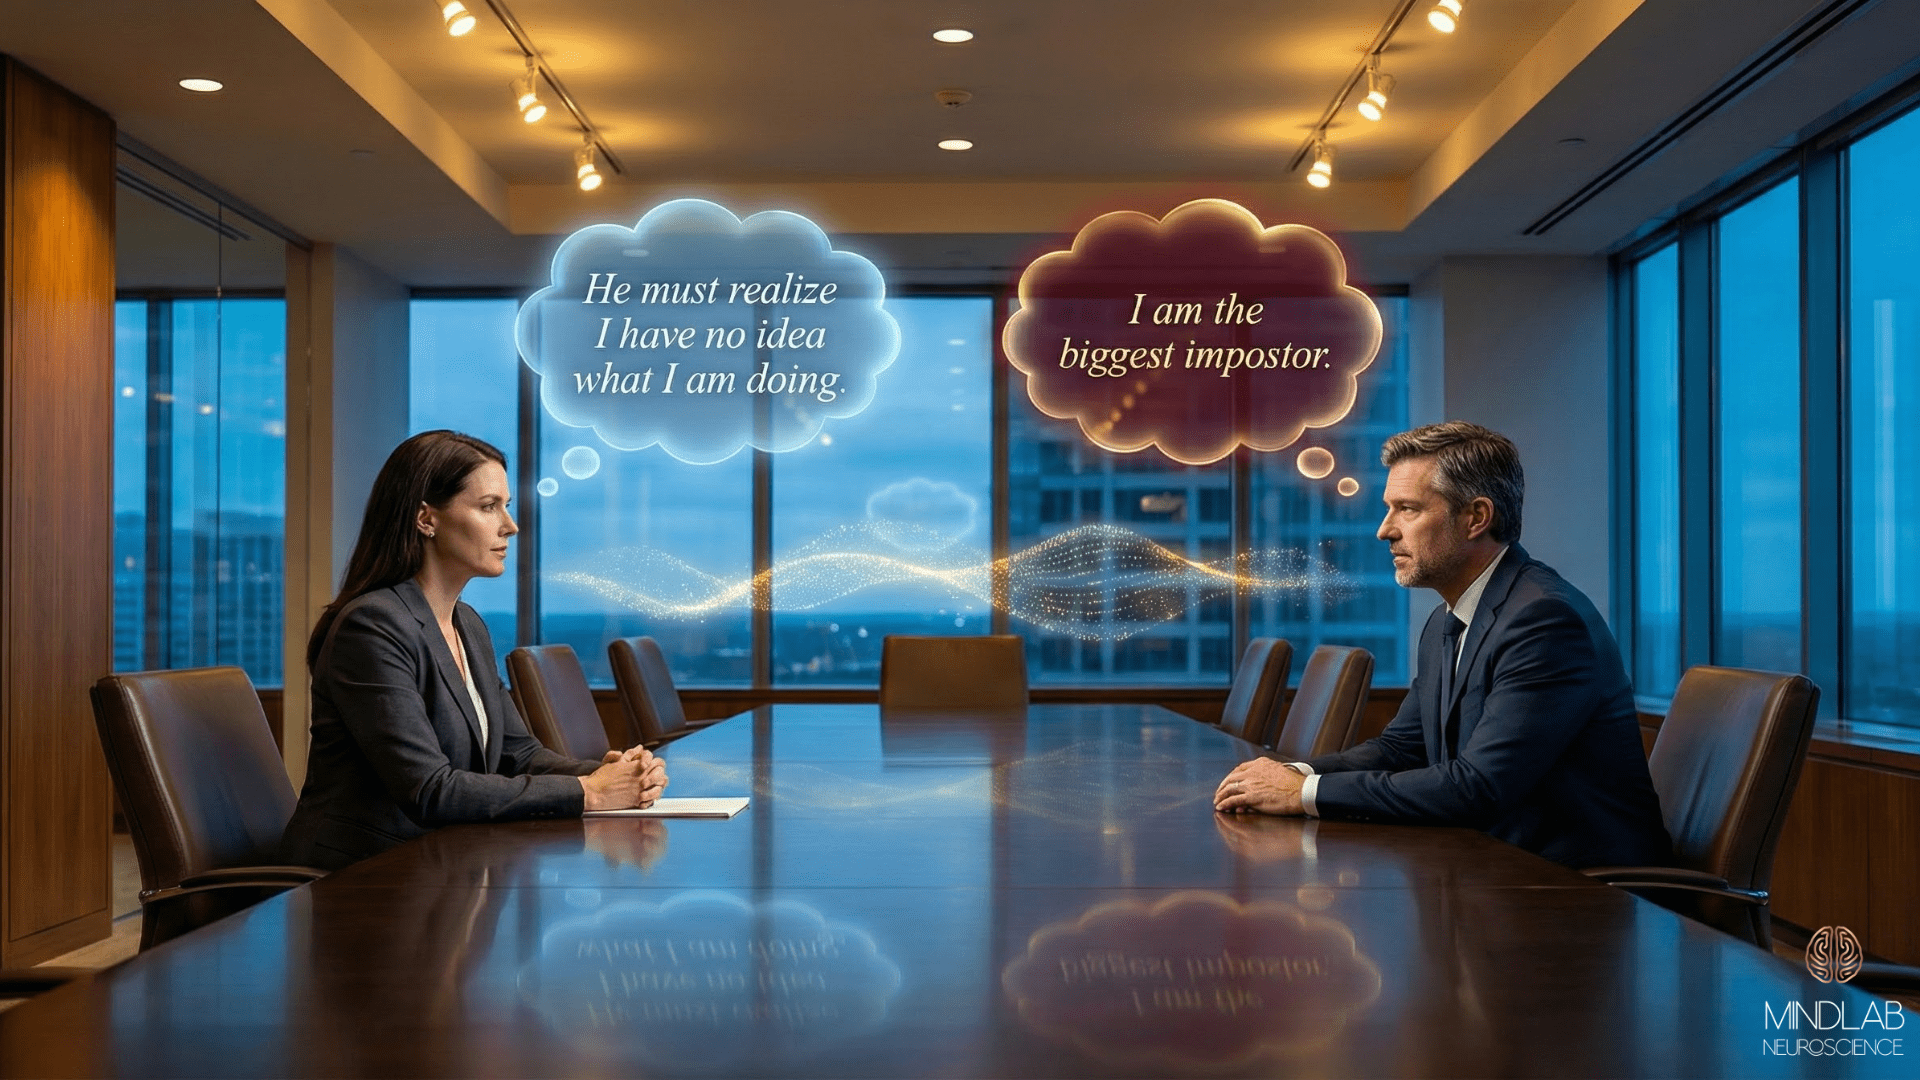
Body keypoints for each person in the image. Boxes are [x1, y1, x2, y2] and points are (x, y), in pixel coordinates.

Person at [1214, 421, 1669, 869]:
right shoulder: (1447, 619)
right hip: (1491, 869)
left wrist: (1305, 796)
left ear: (1476, 518)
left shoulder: (1544, 620)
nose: (1384, 530)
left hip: (1578, 893)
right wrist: (1299, 774)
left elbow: (1478, 787)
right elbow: (1400, 749)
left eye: (1407, 509)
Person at [280, 430, 666, 871]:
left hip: (438, 866)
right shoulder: (372, 627)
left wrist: (605, 773)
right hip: (357, 878)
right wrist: (590, 792)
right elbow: (429, 789)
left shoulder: (468, 625)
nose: (510, 525)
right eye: (489, 507)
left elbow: (517, 755)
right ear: (427, 519)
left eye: (506, 506)